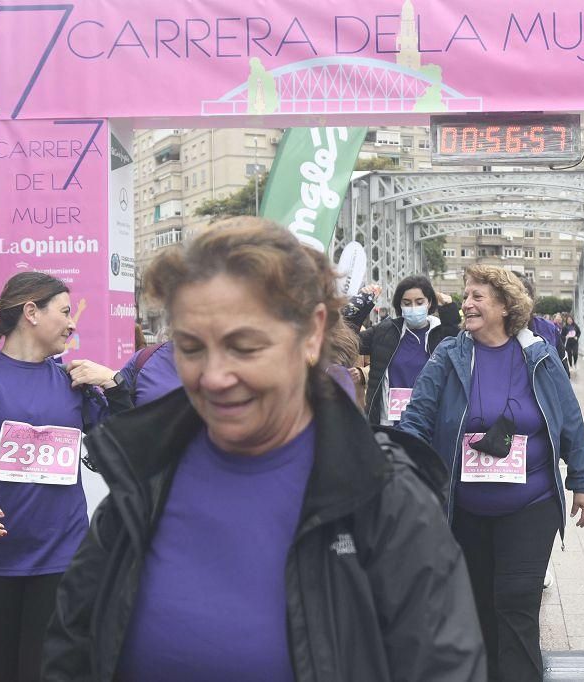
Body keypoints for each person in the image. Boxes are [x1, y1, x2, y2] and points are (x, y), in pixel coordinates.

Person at [42, 218, 485, 681]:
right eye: (190, 348)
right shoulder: (144, 477)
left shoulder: (386, 498)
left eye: (245, 346)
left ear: (312, 335)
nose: (213, 376)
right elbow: (72, 648)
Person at [398, 265, 584, 682]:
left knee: (516, 603)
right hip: (465, 508)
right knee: (477, 608)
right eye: (465, 296)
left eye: (477, 297)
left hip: (531, 503)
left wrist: (582, 480)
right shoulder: (449, 355)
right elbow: (417, 417)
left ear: (506, 306)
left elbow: (569, 419)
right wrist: (401, 469)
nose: (466, 304)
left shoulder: (538, 355)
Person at [0, 272, 132, 682]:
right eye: (65, 312)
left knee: (46, 673)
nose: (73, 323)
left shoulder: (73, 383)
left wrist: (114, 385)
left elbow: (122, 449)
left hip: (61, 557)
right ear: (31, 312)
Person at [358, 275, 460, 425]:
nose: (413, 307)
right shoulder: (384, 331)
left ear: (429, 302)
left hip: (430, 424)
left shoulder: (441, 333)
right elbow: (347, 340)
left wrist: (449, 309)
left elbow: (459, 350)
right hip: (389, 425)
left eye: (419, 302)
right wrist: (361, 304)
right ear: (400, 305)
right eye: (407, 303)